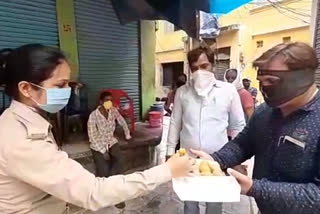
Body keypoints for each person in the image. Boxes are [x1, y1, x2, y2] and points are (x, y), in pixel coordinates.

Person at [0, 44, 193, 214]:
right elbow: (92, 193)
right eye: (60, 85)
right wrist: (166, 171)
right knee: (102, 176)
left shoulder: (26, 121)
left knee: (117, 162)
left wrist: (124, 134)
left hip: (108, 144)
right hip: (97, 147)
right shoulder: (21, 140)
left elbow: (123, 124)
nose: (68, 90)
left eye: (69, 83)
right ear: (26, 89)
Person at [191, 42, 320, 214]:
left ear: (302, 77)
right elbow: (243, 144)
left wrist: (255, 188)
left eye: (271, 81)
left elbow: (317, 195)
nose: (265, 88)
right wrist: (215, 160)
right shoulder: (265, 112)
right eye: (261, 81)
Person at [166, 46, 246, 214]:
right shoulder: (182, 92)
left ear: (213, 65)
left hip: (219, 160)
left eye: (204, 66)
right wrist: (168, 152)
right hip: (188, 159)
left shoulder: (228, 91)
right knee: (190, 202)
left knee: (215, 203)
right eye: (194, 68)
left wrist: (239, 158)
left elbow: (238, 126)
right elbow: (175, 123)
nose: (199, 72)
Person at [87, 91, 132, 209]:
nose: (109, 103)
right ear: (101, 102)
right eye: (107, 100)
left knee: (120, 160)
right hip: (97, 145)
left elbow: (122, 121)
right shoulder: (93, 116)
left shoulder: (113, 111)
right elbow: (92, 136)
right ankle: (105, 193)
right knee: (103, 170)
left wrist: (127, 134)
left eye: (111, 100)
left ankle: (112, 188)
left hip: (111, 141)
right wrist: (103, 151)